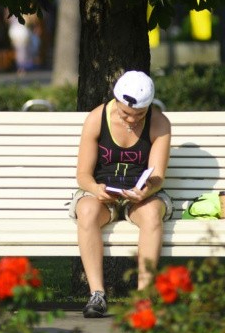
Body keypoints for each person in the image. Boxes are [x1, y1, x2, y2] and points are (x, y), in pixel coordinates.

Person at [71, 70, 172, 318]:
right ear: (116, 100)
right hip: (102, 193)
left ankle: (143, 297)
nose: (132, 120)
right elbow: (83, 174)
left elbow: (158, 175)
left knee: (150, 214)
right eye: (126, 113)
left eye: (140, 114)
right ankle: (97, 294)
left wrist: (147, 189)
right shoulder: (97, 118)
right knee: (86, 209)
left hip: (142, 195)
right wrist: (96, 189)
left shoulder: (159, 123)